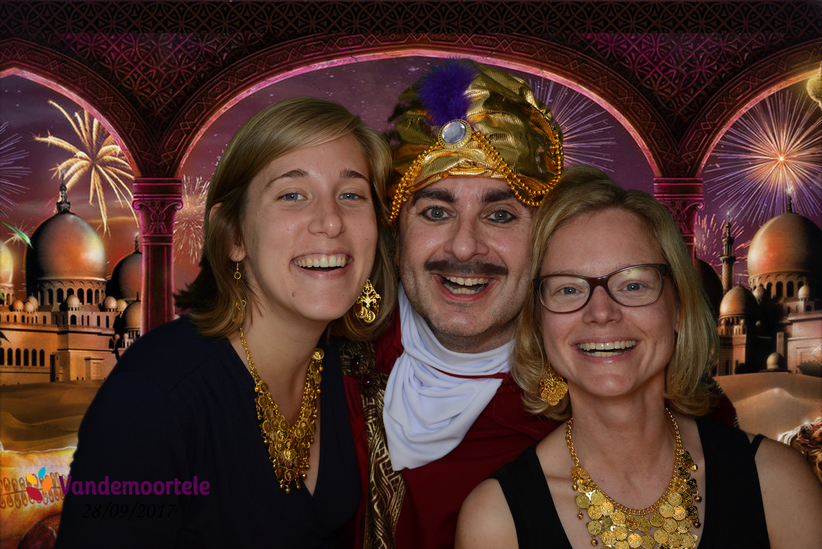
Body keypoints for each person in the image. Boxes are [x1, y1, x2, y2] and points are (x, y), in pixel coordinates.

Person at [340, 61, 736, 549]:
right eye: (436, 212)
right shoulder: (329, 377)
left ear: (545, 241)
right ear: (396, 237)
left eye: (501, 215)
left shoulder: (624, 383)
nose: (464, 247)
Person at [56, 97, 397, 548]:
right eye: (292, 195)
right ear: (233, 235)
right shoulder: (149, 401)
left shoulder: (350, 370)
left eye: (351, 195)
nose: (331, 222)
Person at [455, 166, 822, 549]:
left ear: (678, 308)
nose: (601, 312)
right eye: (568, 289)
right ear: (539, 323)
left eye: (632, 285)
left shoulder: (776, 483)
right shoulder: (496, 520)